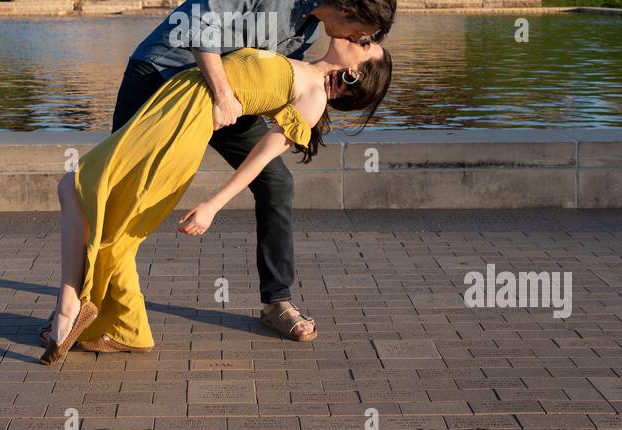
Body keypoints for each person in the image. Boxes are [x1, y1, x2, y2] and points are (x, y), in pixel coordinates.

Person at [41, 37, 392, 364]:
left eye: (365, 44)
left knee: (82, 187)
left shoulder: (314, 97)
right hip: (172, 105)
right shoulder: (297, 58)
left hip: (184, 122)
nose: (358, 36)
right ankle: (125, 327)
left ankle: (71, 308)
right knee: (101, 204)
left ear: (353, 74)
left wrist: (213, 204)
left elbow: (260, 159)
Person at [108, 0, 397, 344]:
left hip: (221, 102)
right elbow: (198, 23)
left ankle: (276, 301)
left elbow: (267, 82)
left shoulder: (307, 31)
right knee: (118, 191)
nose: (358, 42)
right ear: (348, 10)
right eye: (362, 34)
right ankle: (89, 303)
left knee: (275, 181)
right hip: (161, 77)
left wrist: (299, 116)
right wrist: (224, 95)